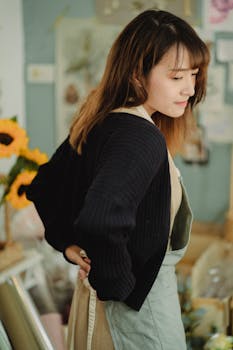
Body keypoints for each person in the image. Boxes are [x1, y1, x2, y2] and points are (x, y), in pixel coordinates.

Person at [26, 9, 210, 350]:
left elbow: (44, 186)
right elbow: (101, 220)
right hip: (137, 314)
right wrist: (117, 286)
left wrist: (68, 246)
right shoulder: (139, 136)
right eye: (176, 77)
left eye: (194, 74)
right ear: (137, 74)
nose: (190, 87)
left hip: (109, 306)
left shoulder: (100, 121)